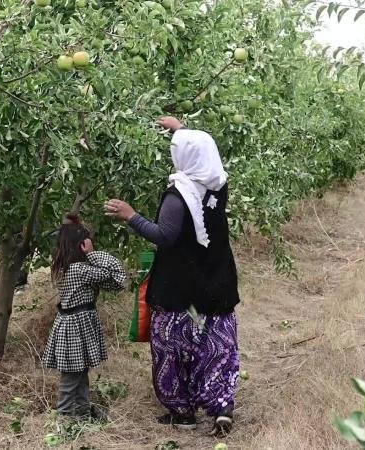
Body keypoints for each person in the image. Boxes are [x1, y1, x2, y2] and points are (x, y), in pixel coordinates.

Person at [104, 116, 241, 437]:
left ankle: (182, 412)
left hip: (180, 288)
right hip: (216, 282)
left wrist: (131, 216)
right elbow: (198, 149)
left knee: (173, 348)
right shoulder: (217, 183)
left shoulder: (178, 196)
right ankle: (221, 405)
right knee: (217, 346)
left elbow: (164, 236)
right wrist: (181, 129)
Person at [41, 213, 126, 420]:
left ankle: (82, 415)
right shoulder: (80, 269)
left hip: (73, 324)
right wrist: (93, 254)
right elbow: (116, 272)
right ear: (80, 245)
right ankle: (63, 419)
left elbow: (112, 281)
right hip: (77, 326)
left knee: (79, 374)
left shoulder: (65, 267)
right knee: (71, 378)